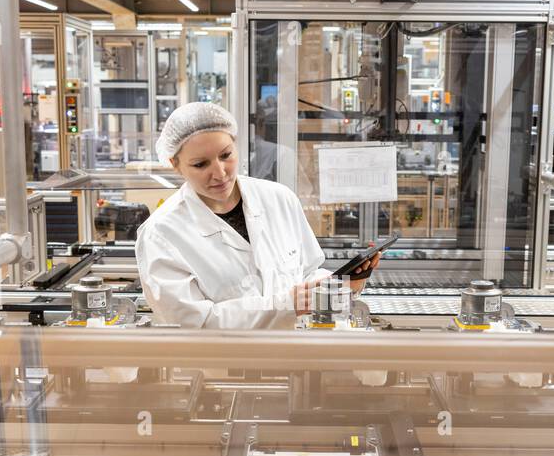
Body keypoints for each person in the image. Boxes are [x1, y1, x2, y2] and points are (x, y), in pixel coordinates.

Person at [136, 101, 379, 329]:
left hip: (293, 361)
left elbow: (306, 274)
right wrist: (285, 305)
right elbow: (191, 323)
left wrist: (341, 286)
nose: (220, 173)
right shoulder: (161, 234)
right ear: (175, 164)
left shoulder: (278, 199)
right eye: (201, 164)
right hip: (219, 369)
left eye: (226, 155)